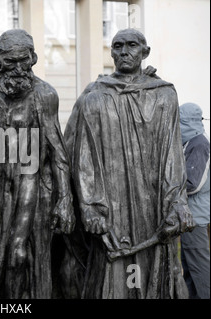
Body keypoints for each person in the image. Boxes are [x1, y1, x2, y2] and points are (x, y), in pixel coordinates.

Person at [64, 28, 195, 299]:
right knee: (112, 280)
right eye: (118, 46)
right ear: (110, 52)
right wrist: (90, 209)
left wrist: (177, 205)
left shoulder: (165, 95)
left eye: (132, 46)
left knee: (151, 279)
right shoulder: (95, 97)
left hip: (153, 207)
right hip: (111, 208)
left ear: (144, 52)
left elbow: (172, 154)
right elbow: (83, 157)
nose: (124, 52)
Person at [0, 29, 75, 299]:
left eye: (24, 61)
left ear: (33, 59)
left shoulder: (45, 95)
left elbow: (58, 152)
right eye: (10, 62)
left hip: (31, 192)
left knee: (22, 260)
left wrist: (64, 199)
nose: (18, 68)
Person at [179, 102, 210, 299]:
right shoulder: (191, 143)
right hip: (189, 218)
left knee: (200, 270)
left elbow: (193, 183)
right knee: (190, 270)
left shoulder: (199, 144)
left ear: (186, 122)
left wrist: (168, 188)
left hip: (195, 218)